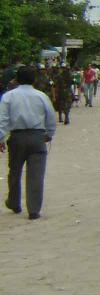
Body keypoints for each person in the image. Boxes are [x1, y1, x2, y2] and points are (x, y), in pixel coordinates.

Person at [0, 65, 57, 220]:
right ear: (34, 79)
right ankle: (34, 209)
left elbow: (3, 120)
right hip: (37, 138)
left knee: (14, 172)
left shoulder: (8, 96)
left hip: (17, 138)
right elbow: (51, 117)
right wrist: (49, 134)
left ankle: (14, 202)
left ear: (17, 79)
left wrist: (1, 138)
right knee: (36, 175)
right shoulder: (41, 96)